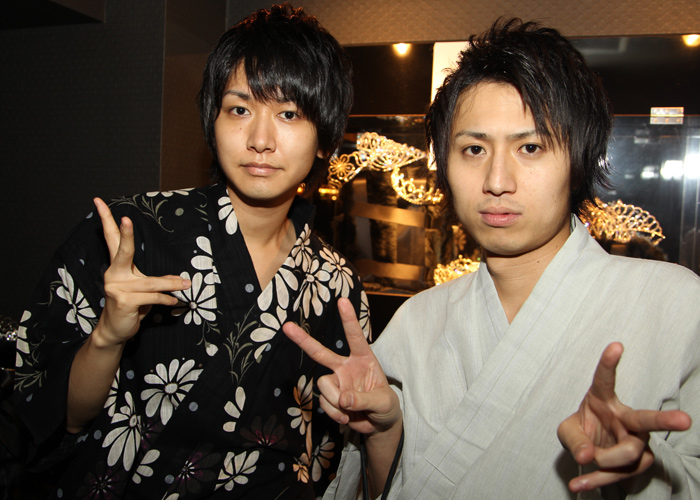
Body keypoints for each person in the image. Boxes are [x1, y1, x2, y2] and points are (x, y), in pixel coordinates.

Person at [284, 18, 700, 499]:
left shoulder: (674, 304)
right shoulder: (418, 321)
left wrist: (642, 469)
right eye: (474, 149)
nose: (497, 181)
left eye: (531, 147)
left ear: (580, 158)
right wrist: (383, 431)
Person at [13, 4, 371, 498]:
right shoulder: (132, 233)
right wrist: (107, 338)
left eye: (289, 113)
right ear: (212, 120)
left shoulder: (336, 283)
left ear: (325, 139)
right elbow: (57, 418)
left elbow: (329, 455)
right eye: (239, 109)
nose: (260, 139)